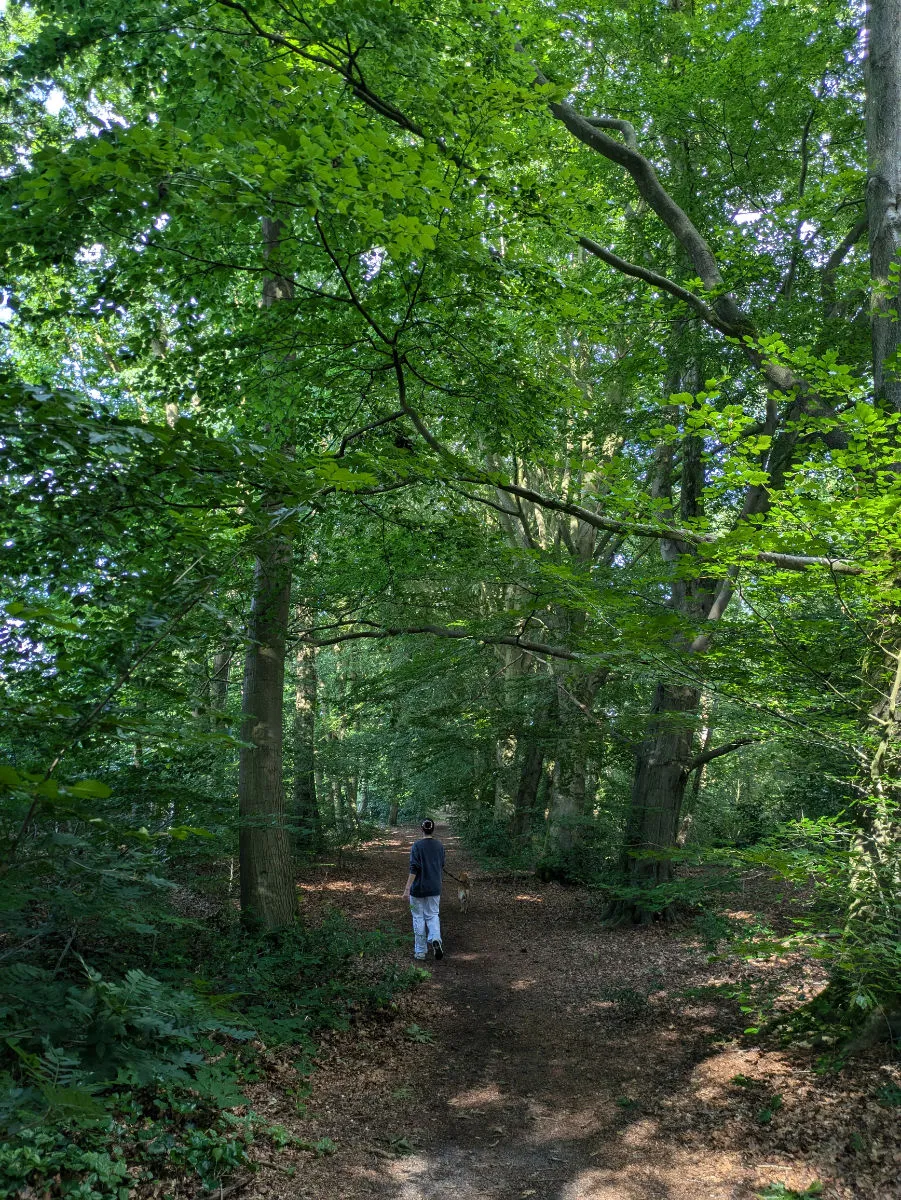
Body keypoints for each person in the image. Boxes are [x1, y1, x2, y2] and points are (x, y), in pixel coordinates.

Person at [402, 819, 445, 960]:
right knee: (432, 915)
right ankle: (435, 938)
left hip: (418, 888)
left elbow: (414, 868)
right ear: (433, 829)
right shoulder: (439, 846)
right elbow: (441, 864)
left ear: (422, 829)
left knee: (418, 918)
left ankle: (420, 951)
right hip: (434, 887)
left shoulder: (417, 846)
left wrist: (407, 888)